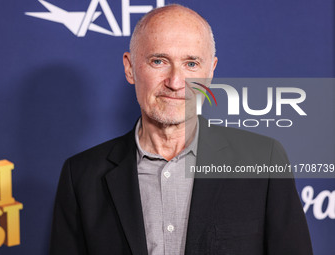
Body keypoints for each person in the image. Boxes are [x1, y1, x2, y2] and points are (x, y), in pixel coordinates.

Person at [50, 4, 313, 255]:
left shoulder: (262, 160)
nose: (176, 82)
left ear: (210, 72)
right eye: (158, 61)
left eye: (191, 64)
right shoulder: (82, 176)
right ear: (130, 68)